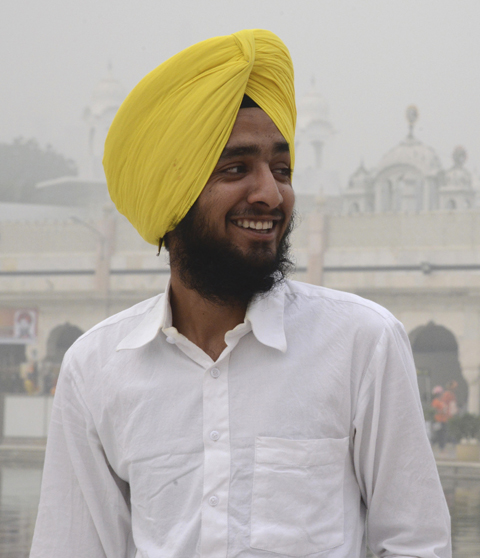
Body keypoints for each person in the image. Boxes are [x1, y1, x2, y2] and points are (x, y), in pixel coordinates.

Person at [30, 30, 451, 558]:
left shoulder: (361, 344)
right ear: (172, 193)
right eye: (236, 168)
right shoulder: (96, 369)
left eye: (282, 169)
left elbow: (415, 545)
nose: (271, 194)